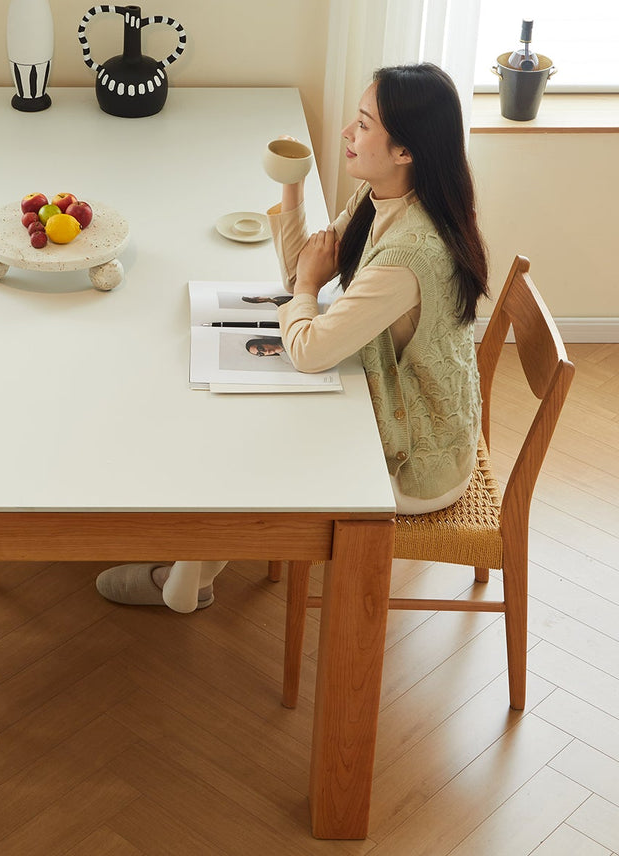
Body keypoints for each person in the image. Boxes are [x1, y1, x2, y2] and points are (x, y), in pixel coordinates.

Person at [96, 62, 490, 613]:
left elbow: (308, 347)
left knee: (258, 443)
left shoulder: (410, 251)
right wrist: (292, 185)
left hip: (415, 460)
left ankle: (185, 577)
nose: (348, 135)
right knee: (246, 416)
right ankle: (193, 569)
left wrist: (307, 283)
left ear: (405, 150)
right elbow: (301, 275)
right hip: (395, 400)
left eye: (363, 124)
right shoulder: (387, 197)